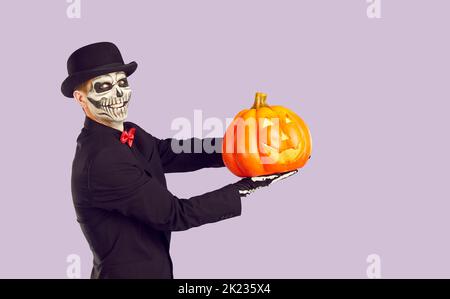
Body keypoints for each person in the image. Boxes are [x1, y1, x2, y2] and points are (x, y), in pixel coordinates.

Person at [62, 42, 297, 279]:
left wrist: (239, 146)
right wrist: (244, 188)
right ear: (81, 99)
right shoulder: (102, 160)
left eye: (122, 83)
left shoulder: (128, 132)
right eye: (104, 87)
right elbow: (174, 213)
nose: (118, 94)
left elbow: (170, 151)